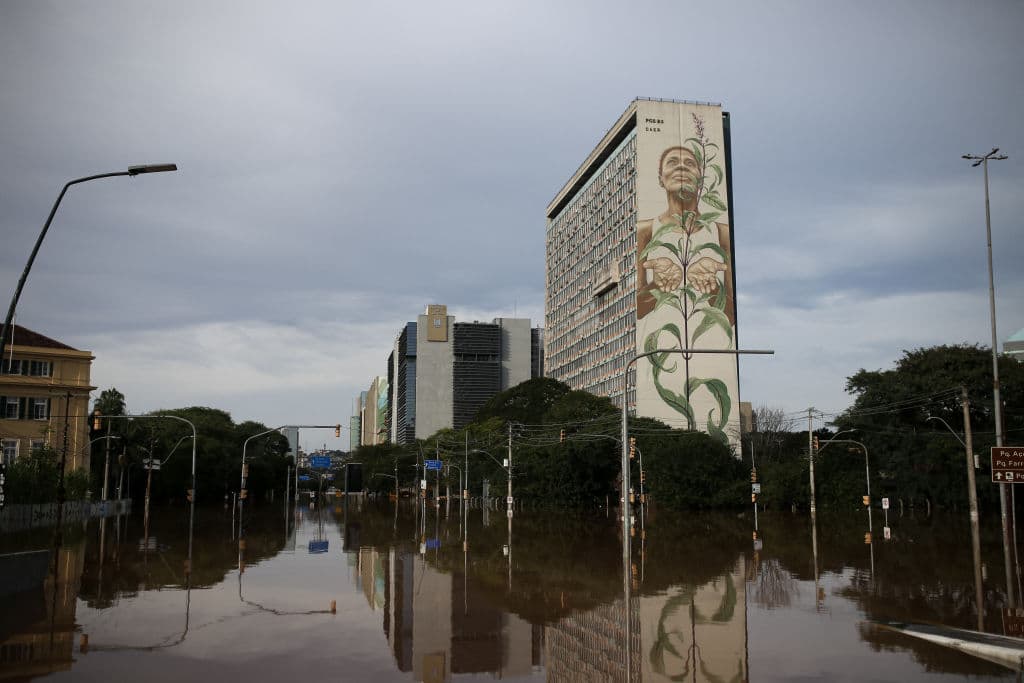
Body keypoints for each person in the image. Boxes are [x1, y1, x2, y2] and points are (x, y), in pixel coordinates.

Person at [636, 145, 734, 326]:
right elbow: (636, 313)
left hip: (712, 347)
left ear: (700, 179)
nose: (681, 167)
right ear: (660, 179)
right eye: (672, 162)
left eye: (690, 163)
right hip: (660, 348)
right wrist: (658, 285)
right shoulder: (645, 231)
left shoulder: (722, 233)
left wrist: (712, 289)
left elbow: (732, 316)